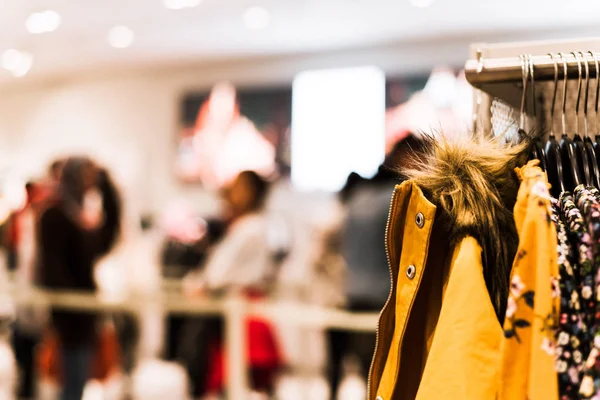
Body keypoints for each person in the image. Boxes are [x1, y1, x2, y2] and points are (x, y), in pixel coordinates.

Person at [183, 170, 281, 396]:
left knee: (239, 382)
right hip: (238, 310)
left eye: (239, 187)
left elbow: (217, 273)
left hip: (243, 312)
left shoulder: (251, 228)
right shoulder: (246, 226)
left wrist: (198, 283)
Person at [37, 157, 121, 400]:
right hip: (69, 316)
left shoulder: (78, 216)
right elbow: (54, 269)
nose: (88, 183)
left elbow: (105, 239)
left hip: (81, 314)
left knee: (77, 384)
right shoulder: (54, 216)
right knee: (69, 384)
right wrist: (72, 306)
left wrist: (106, 187)